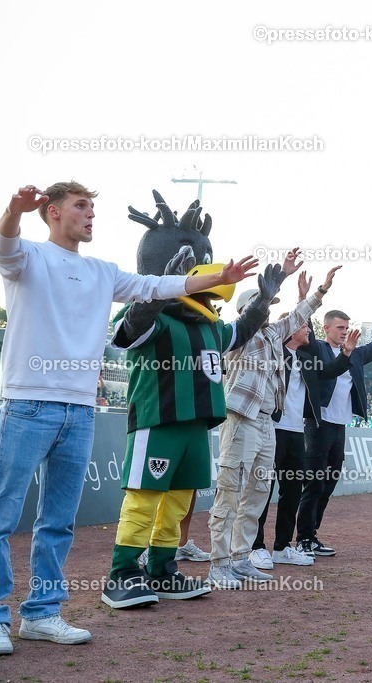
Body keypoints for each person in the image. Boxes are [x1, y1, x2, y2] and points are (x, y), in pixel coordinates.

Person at [0, 183, 255, 651]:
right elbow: (4, 245)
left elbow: (157, 287)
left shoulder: (103, 271)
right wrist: (14, 209)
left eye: (93, 207)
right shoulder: (29, 256)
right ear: (52, 212)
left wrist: (215, 279)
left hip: (80, 410)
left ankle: (42, 613)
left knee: (57, 522)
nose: (91, 214)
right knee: (2, 514)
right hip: (28, 402)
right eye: (81, 206)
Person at [101, 189, 266, 609]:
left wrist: (264, 300)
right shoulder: (150, 317)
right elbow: (126, 334)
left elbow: (240, 332)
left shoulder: (209, 326)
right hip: (158, 421)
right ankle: (121, 574)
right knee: (143, 499)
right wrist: (160, 290)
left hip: (198, 426)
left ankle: (162, 568)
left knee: (176, 503)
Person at [205, 260, 340, 588]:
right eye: (263, 305)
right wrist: (270, 294)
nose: (269, 311)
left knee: (257, 492)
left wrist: (319, 291)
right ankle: (218, 565)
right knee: (229, 492)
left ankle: (240, 558)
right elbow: (268, 317)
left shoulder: (271, 335)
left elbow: (296, 317)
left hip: (265, 423)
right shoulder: (240, 336)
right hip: (240, 419)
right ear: (249, 309)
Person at [295, 309, 372, 556]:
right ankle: (303, 539)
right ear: (326, 328)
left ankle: (312, 536)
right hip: (318, 425)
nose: (345, 332)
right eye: (340, 327)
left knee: (329, 483)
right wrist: (308, 301)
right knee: (314, 484)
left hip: (341, 427)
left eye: (347, 327)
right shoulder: (317, 348)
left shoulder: (356, 354)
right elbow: (304, 330)